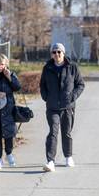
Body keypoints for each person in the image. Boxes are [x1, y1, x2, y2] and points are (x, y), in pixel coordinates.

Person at [40, 43, 85, 172]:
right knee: (53, 133)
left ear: (63, 53)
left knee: (66, 132)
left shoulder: (72, 67)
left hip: (67, 106)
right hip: (52, 106)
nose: (57, 54)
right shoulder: (47, 68)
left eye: (59, 52)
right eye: (54, 52)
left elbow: (80, 84)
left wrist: (73, 96)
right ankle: (50, 161)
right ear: (51, 54)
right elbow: (42, 85)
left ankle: (68, 156)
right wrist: (46, 97)